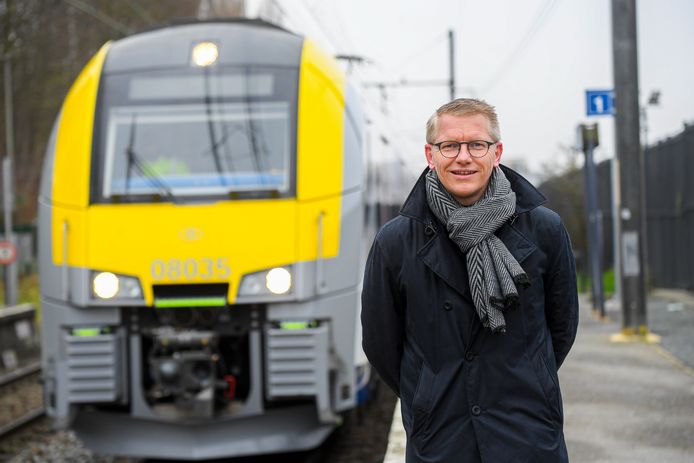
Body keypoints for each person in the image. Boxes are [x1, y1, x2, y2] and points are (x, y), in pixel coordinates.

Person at [361, 98, 578, 462]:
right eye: (450, 146)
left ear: (497, 152)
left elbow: (562, 327)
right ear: (431, 155)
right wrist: (428, 393)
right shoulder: (396, 241)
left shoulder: (545, 229)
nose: (463, 157)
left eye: (477, 144)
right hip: (441, 436)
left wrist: (526, 377)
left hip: (527, 430)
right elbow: (381, 344)